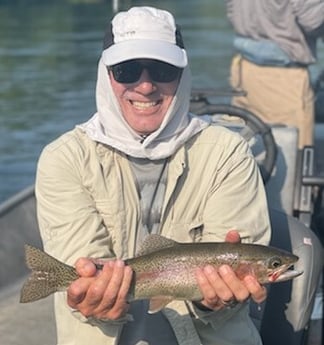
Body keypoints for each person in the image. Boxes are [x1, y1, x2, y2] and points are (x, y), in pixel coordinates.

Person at [35, 6, 270, 345]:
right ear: (106, 74)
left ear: (182, 73)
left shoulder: (229, 153)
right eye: (127, 70)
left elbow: (233, 282)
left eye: (162, 69)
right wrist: (89, 294)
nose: (145, 86)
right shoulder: (64, 159)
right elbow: (81, 267)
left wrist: (212, 300)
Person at [225, 0, 324, 149]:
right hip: (283, 78)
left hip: (243, 69)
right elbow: (314, 21)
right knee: (293, 154)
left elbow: (232, 12)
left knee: (247, 149)